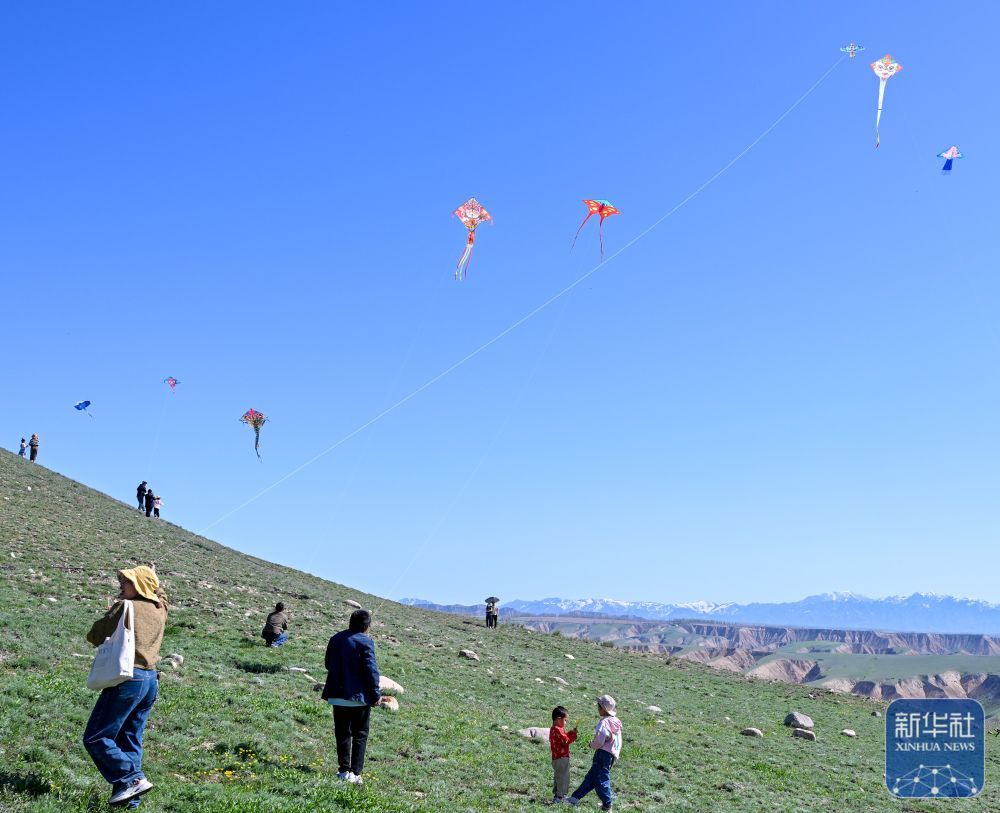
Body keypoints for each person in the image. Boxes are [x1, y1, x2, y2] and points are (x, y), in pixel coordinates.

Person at [83, 566, 168, 808]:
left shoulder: (125, 607)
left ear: (140, 585)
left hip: (128, 679)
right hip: (150, 681)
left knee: (96, 737)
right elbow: (162, 595)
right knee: (130, 739)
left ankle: (131, 779)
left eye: (127, 581)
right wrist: (153, 579)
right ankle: (131, 801)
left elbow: (94, 635)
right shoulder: (160, 608)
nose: (121, 584)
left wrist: (112, 611)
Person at [321, 609, 381, 784]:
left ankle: (343, 770)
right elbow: (371, 670)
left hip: (337, 695)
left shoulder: (335, 638)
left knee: (342, 734)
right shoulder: (366, 641)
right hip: (359, 698)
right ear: (367, 626)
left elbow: (327, 664)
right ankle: (355, 773)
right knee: (360, 734)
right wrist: (376, 694)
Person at [564, 695, 622, 810]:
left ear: (602, 708)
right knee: (591, 777)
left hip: (602, 754)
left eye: (598, 706)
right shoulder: (615, 722)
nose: (597, 708)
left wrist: (592, 744)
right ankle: (575, 798)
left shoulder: (604, 723)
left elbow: (600, 741)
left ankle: (608, 804)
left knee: (601, 780)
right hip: (610, 755)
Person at [549, 706, 578, 804]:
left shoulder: (554, 729)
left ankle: (557, 795)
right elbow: (565, 741)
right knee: (563, 776)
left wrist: (570, 732)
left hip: (556, 758)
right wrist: (573, 735)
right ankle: (560, 797)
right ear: (558, 719)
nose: (566, 723)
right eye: (565, 720)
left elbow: (563, 738)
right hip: (561, 758)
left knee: (558, 776)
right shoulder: (558, 729)